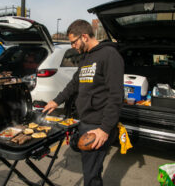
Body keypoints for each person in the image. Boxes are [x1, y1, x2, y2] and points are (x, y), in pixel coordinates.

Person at [43, 19, 124, 186]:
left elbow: (116, 96)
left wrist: (105, 129)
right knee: (90, 167)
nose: (72, 46)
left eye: (73, 42)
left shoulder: (110, 55)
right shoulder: (86, 57)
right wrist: (55, 101)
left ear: (85, 36)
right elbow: (74, 84)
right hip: (85, 120)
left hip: (98, 124)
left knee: (91, 174)